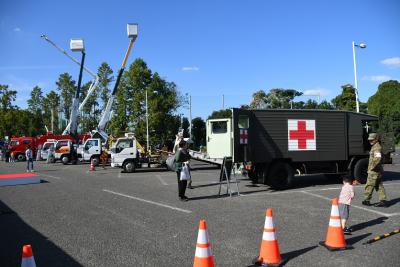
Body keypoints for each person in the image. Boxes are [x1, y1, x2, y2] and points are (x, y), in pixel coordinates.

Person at [362, 133, 388, 207]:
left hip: (374, 171)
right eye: (369, 140)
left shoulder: (376, 148)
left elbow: (377, 159)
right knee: (379, 185)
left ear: (376, 139)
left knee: (369, 185)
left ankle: (366, 200)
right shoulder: (375, 146)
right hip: (377, 170)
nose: (370, 141)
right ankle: (383, 200)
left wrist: (371, 168)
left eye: (372, 140)